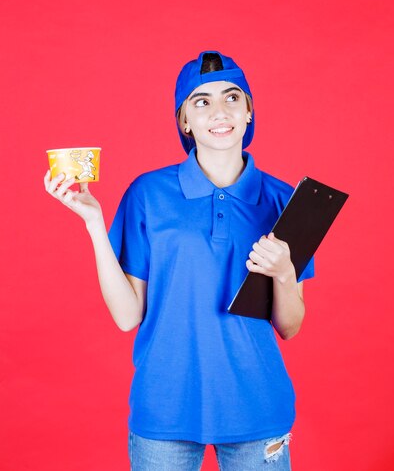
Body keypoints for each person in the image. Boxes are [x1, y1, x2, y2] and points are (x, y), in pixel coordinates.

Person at [44, 50, 314, 471]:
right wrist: (95, 224)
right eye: (201, 102)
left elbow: (291, 326)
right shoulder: (147, 194)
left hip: (257, 406)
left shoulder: (286, 201)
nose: (219, 111)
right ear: (184, 120)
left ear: (249, 113)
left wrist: (282, 273)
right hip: (165, 404)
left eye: (232, 98)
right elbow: (127, 315)